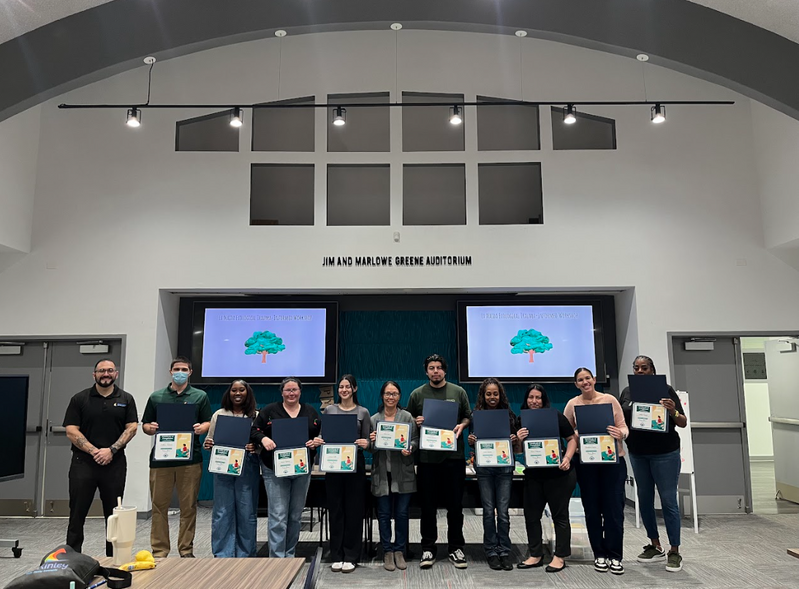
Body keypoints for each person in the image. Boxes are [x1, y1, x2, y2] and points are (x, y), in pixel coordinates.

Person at [619, 355, 688, 573]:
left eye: (644, 368)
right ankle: (655, 545)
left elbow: (683, 422)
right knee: (644, 499)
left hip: (665, 453)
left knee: (668, 501)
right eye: (636, 368)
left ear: (652, 370)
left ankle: (674, 551)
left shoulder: (665, 390)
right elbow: (621, 420)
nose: (639, 371)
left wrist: (672, 411)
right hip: (638, 453)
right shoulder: (627, 392)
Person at [63, 359, 138, 556]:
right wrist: (94, 451)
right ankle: (73, 555)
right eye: (101, 371)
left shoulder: (126, 399)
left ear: (116, 374)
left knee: (114, 513)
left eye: (110, 370)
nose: (106, 374)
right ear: (94, 374)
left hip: (115, 464)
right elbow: (71, 430)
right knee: (77, 512)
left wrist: (111, 450)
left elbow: (132, 427)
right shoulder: (79, 399)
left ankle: (114, 557)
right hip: (83, 464)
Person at [141, 356, 212, 558]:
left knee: (188, 507)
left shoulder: (200, 396)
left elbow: (208, 422)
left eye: (184, 369)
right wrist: (150, 428)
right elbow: (145, 424)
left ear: (190, 372)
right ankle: (160, 550)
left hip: (190, 460)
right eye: (176, 369)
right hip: (160, 460)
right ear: (170, 372)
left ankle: (186, 550)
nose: (179, 372)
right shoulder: (157, 397)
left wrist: (202, 428)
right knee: (159, 507)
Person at [407, 354, 472, 570]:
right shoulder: (417, 394)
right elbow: (407, 422)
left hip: (453, 459)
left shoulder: (458, 392)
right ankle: (428, 547)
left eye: (439, 368)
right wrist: (416, 422)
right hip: (427, 460)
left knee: (455, 507)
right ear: (426, 371)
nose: (436, 371)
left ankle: (456, 547)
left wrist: (462, 426)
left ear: (445, 370)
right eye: (431, 368)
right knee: (428, 507)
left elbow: (467, 416)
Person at [564, 367, 629, 575]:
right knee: (592, 510)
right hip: (586, 463)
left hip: (613, 463)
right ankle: (599, 554)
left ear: (594, 379)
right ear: (576, 384)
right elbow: (567, 433)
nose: (585, 382)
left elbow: (624, 427)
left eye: (587, 378)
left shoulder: (609, 400)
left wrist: (620, 433)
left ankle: (615, 556)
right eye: (580, 380)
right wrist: (576, 433)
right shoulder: (572, 404)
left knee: (614, 510)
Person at [251, 377, 321, 558]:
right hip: (274, 470)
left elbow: (319, 435)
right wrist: (263, 439)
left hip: (301, 469)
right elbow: (254, 430)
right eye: (288, 390)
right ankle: (277, 558)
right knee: (278, 516)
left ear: (300, 392)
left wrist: (316, 442)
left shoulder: (310, 411)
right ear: (281, 392)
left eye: (295, 390)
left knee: (295, 516)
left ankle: (289, 555)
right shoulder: (269, 411)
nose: (291, 393)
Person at [516, 384, 577, 573]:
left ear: (544, 400)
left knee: (560, 516)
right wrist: (518, 439)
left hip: (558, 474)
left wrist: (567, 458)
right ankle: (535, 554)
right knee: (531, 516)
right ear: (526, 399)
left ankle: (560, 556)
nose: (534, 401)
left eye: (538, 398)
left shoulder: (555, 415)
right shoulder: (522, 419)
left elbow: (572, 438)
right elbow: (518, 451)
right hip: (534, 475)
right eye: (531, 397)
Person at [315, 374, 371, 573]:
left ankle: (351, 555)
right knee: (336, 509)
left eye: (348, 386)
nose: (344, 390)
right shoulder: (330, 409)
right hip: (333, 465)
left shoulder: (363, 412)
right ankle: (336, 554)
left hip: (354, 464)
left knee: (354, 510)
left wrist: (367, 443)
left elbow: (368, 441)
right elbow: (323, 434)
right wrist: (319, 440)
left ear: (354, 389)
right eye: (341, 387)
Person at [203, 379, 260, 558]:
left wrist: (254, 448)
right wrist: (208, 443)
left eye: (241, 390)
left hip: (248, 467)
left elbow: (260, 443)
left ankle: (246, 553)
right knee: (222, 511)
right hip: (223, 467)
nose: (237, 393)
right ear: (229, 393)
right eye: (234, 390)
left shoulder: (255, 415)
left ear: (247, 393)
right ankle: (222, 553)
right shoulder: (219, 414)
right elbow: (210, 440)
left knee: (246, 511)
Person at [467, 378, 517, 571]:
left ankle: (504, 550)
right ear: (483, 395)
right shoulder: (476, 415)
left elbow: (516, 443)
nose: (492, 397)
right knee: (488, 512)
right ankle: (490, 551)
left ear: (500, 394)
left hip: (504, 469)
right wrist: (472, 440)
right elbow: (473, 441)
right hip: (485, 469)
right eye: (488, 394)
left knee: (503, 513)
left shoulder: (509, 415)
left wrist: (513, 439)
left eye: (495, 393)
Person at [368, 381, 418, 572]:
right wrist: (371, 442)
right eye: (388, 394)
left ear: (399, 396)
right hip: (381, 474)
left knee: (402, 514)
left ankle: (400, 550)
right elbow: (371, 449)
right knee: (383, 515)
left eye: (395, 394)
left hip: (402, 472)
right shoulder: (374, 419)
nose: (391, 397)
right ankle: (387, 550)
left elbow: (415, 440)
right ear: (382, 396)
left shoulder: (407, 417)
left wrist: (410, 448)